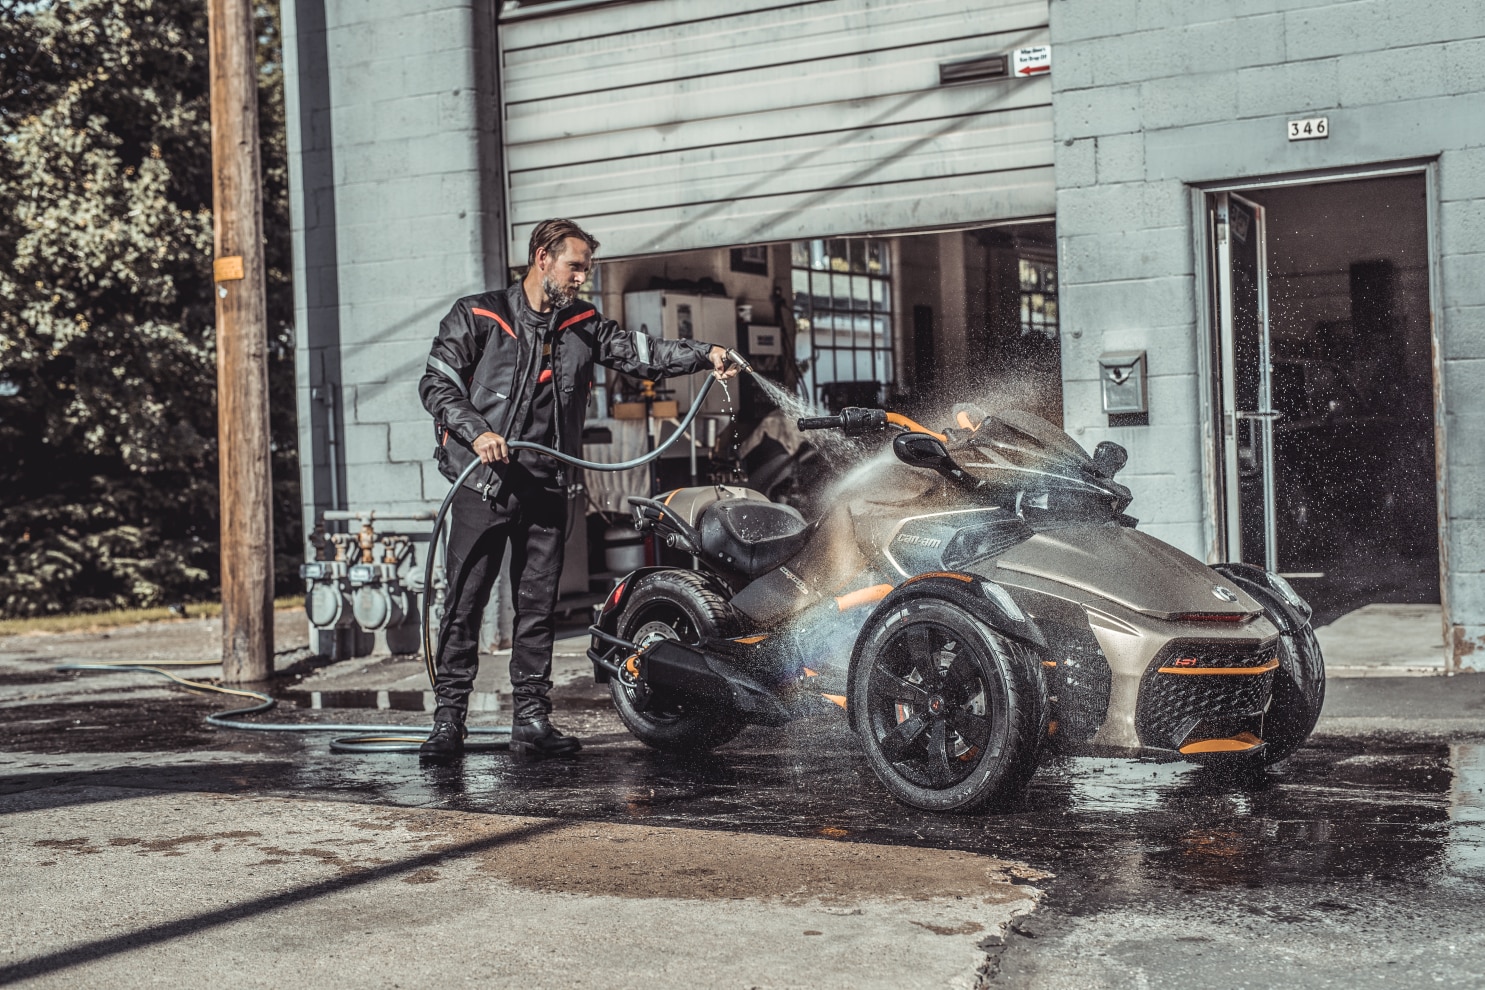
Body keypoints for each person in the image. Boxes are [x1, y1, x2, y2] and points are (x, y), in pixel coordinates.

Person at [417, 218, 739, 760]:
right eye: (575, 267)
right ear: (542, 258)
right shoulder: (479, 315)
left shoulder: (583, 324)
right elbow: (437, 383)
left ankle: (531, 722)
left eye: (586, 269)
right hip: (483, 486)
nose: (582, 279)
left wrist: (705, 354)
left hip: (547, 488)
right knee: (464, 605)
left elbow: (644, 353)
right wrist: (479, 433)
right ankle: (449, 722)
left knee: (537, 608)